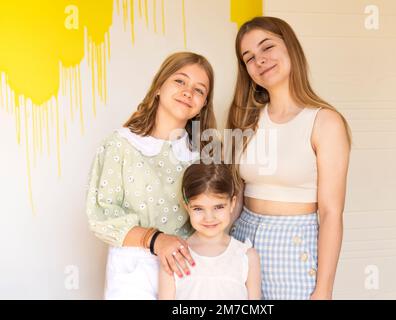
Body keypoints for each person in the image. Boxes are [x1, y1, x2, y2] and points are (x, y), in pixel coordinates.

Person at [226, 16, 351, 300]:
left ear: (290, 47)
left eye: (267, 47)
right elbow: (238, 196)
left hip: (294, 248)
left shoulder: (325, 122)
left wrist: (324, 290)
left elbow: (331, 213)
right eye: (249, 58)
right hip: (241, 242)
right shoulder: (246, 120)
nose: (260, 60)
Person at [85, 52, 217, 299]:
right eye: (180, 81)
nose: (188, 92)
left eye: (199, 90)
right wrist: (155, 239)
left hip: (186, 270)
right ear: (159, 86)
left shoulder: (202, 157)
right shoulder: (120, 145)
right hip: (132, 272)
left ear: (203, 106)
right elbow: (100, 215)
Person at [158, 163, 261, 300]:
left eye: (218, 207)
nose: (209, 217)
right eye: (198, 209)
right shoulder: (175, 257)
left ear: (232, 203)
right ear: (187, 207)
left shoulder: (246, 256)